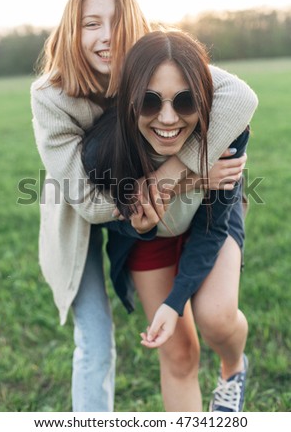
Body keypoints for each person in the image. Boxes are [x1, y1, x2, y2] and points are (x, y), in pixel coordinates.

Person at [31, 0, 258, 412]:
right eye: (90, 23)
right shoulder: (52, 98)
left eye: (115, 21)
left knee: (215, 316)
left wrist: (175, 171)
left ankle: (233, 366)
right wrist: (187, 179)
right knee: (120, 341)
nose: (106, 35)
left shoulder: (155, 58)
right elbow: (90, 201)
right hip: (108, 217)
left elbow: (239, 96)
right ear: (71, 31)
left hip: (195, 208)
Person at [81, 29, 258, 412]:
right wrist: (138, 222)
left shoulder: (226, 131)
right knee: (178, 353)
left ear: (204, 98)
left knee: (216, 318)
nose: (167, 118)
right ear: (128, 99)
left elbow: (212, 226)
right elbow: (115, 220)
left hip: (209, 221)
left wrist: (176, 301)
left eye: (185, 101)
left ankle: (234, 368)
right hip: (149, 239)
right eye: (148, 101)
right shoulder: (104, 150)